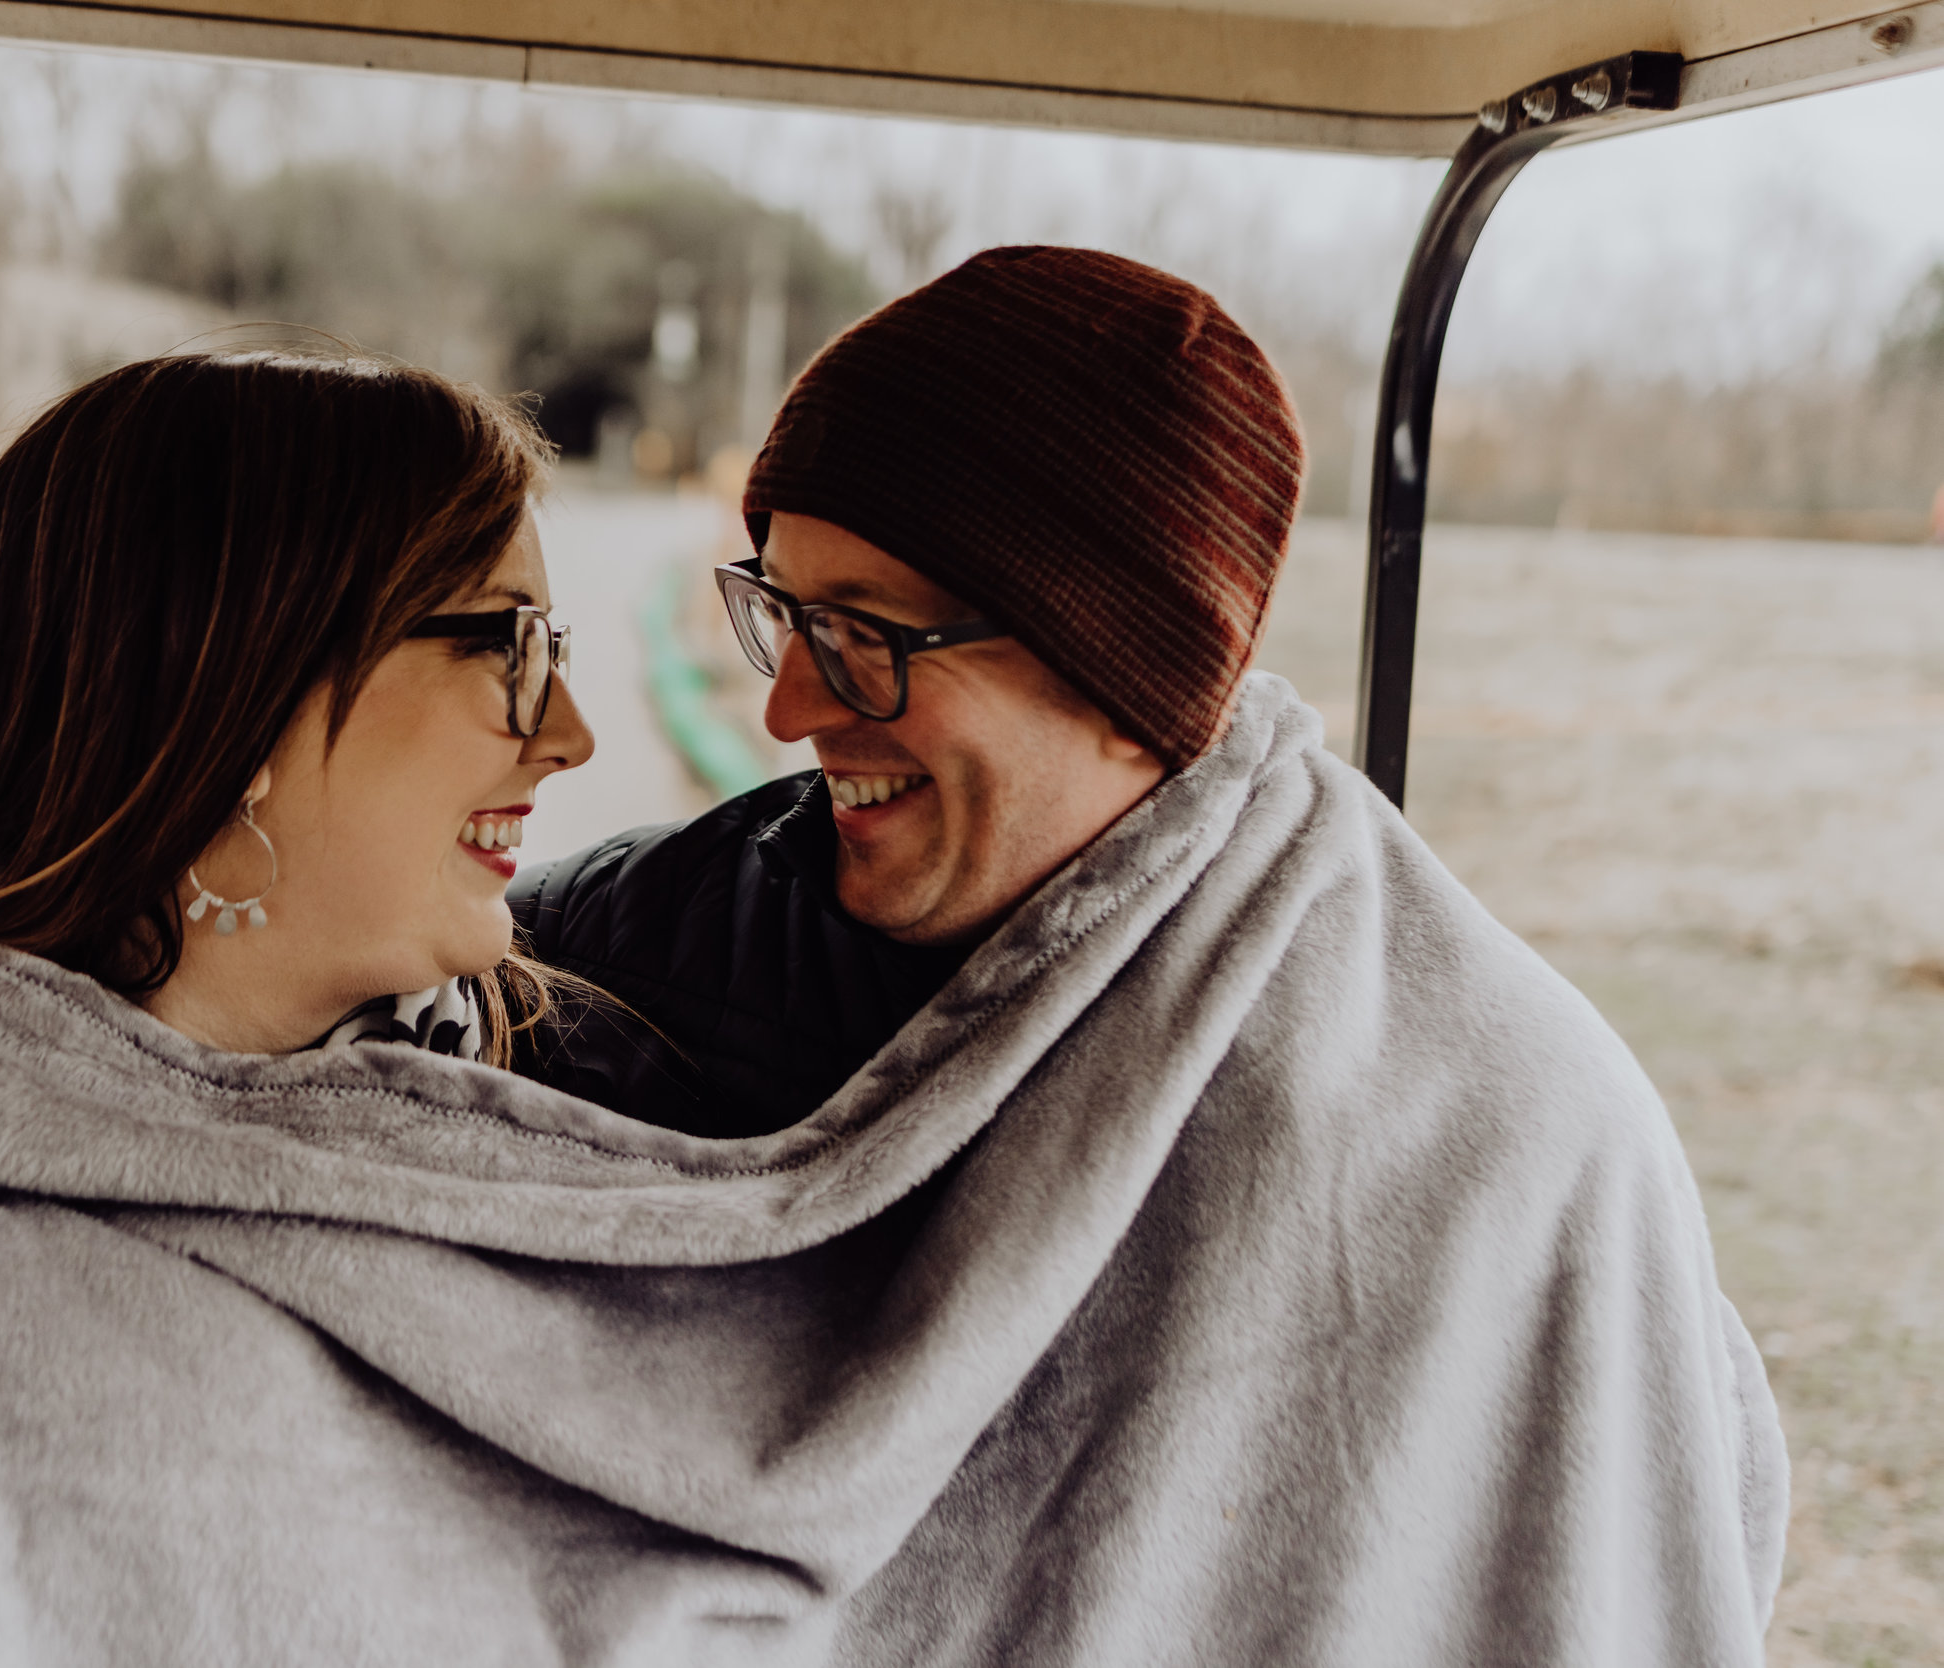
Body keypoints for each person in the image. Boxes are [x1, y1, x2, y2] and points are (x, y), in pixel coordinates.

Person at [511, 248, 1791, 1656]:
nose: (792, 709)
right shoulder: (637, 944)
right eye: (786, 613)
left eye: (865, 634)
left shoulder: (1504, 1135)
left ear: (1122, 672)